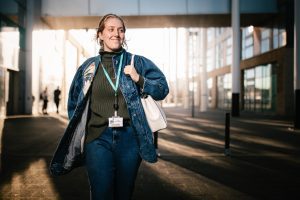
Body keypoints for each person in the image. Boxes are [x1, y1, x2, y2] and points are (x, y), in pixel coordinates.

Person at [50, 13, 169, 200]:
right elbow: (74, 104)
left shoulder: (137, 62)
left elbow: (162, 89)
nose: (116, 34)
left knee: (124, 194)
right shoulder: (88, 68)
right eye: (111, 29)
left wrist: (139, 79)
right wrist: (85, 132)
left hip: (130, 139)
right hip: (97, 139)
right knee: (101, 194)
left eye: (121, 30)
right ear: (100, 35)